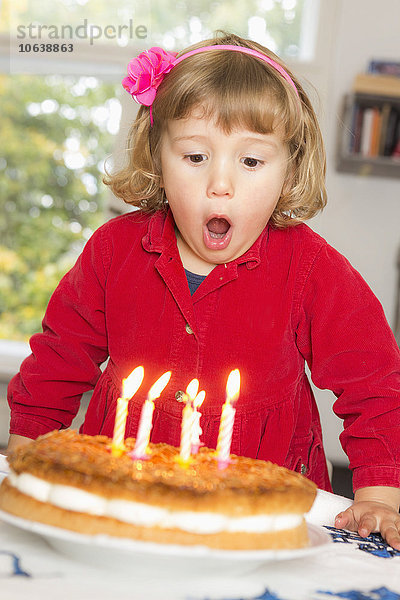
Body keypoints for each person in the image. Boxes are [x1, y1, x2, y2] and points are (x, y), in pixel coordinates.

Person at [7, 32, 400, 548]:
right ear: (158, 157)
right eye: (195, 156)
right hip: (120, 494)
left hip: (263, 509)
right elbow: (57, 363)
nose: (221, 184)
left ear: (288, 169)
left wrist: (381, 496)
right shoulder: (112, 250)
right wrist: (24, 459)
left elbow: (375, 383)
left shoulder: (311, 268)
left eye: (251, 162)